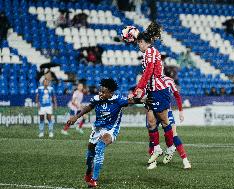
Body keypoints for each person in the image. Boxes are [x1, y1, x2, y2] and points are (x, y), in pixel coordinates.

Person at [66, 78, 151, 188]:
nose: (100, 93)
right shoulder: (97, 98)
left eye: (103, 92)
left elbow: (132, 101)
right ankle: (88, 172)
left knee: (100, 147)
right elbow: (89, 107)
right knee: (90, 154)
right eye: (100, 91)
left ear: (110, 93)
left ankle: (94, 179)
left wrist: (143, 100)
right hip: (97, 128)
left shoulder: (118, 100)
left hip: (111, 129)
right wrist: (76, 117)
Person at [130, 22, 176, 165]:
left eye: (139, 43)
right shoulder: (149, 52)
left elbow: (149, 71)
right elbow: (147, 73)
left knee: (164, 121)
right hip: (152, 91)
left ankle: (171, 147)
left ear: (143, 42)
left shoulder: (150, 52)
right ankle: (156, 148)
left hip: (159, 91)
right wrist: (143, 89)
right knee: (151, 122)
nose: (138, 46)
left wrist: (138, 88)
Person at [146, 76, 191, 170]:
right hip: (152, 110)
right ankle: (153, 162)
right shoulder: (147, 80)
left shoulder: (168, 80)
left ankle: (185, 161)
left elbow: (176, 95)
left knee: (174, 135)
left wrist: (181, 111)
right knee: (152, 138)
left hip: (166, 111)